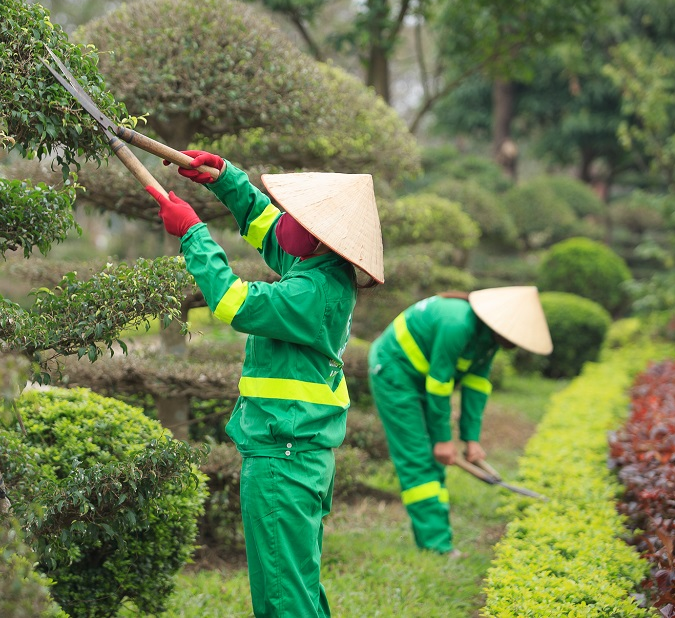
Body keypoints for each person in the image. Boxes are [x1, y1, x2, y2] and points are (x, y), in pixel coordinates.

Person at [146, 149, 383, 618]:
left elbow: (235, 303)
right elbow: (271, 229)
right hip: (299, 455)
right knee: (297, 586)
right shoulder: (320, 265)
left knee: (282, 598)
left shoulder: (310, 291)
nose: (287, 219)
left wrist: (194, 234)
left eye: (299, 215)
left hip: (284, 459)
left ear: (321, 234)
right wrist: (226, 179)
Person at [367, 287, 552, 555]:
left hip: (424, 378)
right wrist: (443, 439)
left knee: (434, 459)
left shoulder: (488, 339)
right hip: (394, 372)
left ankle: (435, 535)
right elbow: (441, 383)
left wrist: (470, 439)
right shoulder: (457, 323)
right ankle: (437, 546)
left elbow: (477, 386)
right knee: (418, 457)